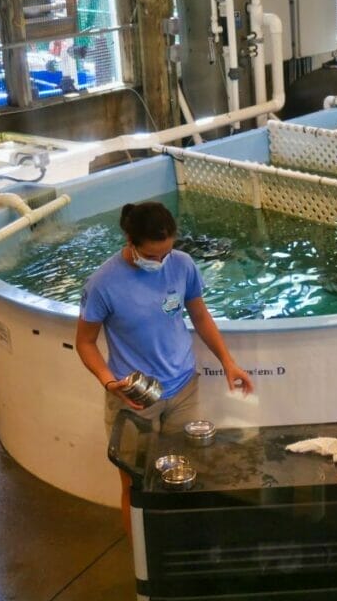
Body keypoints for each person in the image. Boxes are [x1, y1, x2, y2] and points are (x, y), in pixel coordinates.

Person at [76, 201, 254, 503]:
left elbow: (199, 316)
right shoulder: (102, 284)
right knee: (136, 486)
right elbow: (85, 342)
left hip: (184, 387)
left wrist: (228, 361)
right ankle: (142, 549)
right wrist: (109, 382)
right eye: (150, 255)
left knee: (184, 473)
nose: (160, 262)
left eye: (165, 253)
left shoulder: (183, 264)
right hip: (134, 397)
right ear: (130, 242)